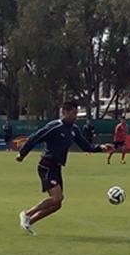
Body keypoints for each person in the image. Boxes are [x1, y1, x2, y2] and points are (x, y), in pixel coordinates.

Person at [16, 101, 112, 235]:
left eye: (76, 113)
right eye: (73, 113)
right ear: (64, 112)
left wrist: (101, 148)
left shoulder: (74, 129)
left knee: (57, 204)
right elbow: (35, 138)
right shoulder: (55, 126)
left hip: (57, 167)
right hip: (47, 165)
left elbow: (86, 146)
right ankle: (26, 213)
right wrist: (22, 154)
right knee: (56, 198)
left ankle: (29, 222)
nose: (76, 116)